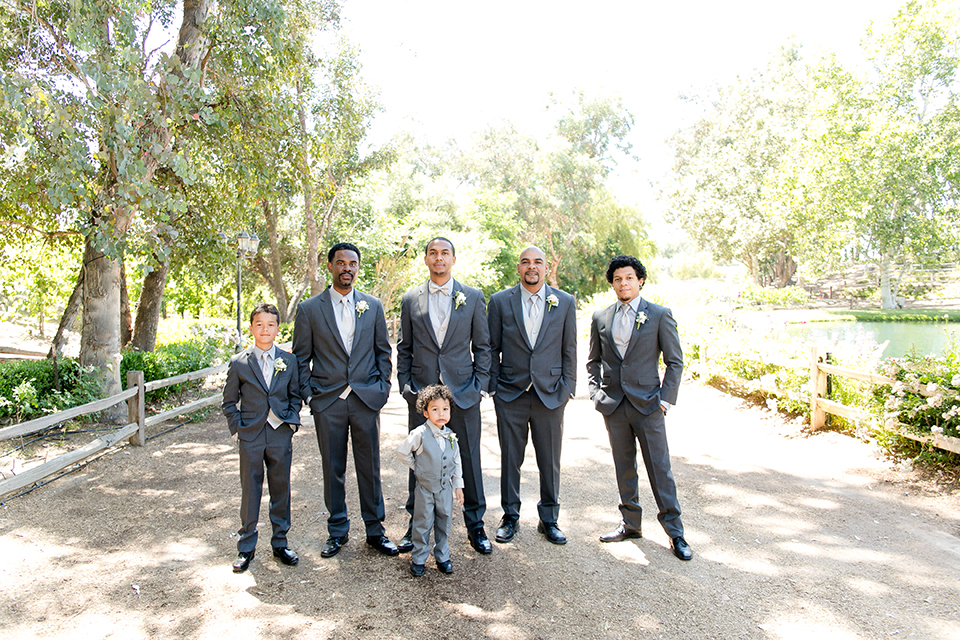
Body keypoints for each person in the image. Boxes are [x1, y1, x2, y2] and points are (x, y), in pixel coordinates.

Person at [292, 242, 398, 559]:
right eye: (341, 263)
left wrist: (381, 390)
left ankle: (375, 531)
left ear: (357, 268)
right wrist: (311, 396)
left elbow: (383, 352)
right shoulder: (310, 309)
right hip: (329, 403)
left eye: (352, 263)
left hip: (366, 400)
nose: (347, 268)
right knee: (333, 469)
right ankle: (337, 531)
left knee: (370, 468)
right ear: (330, 266)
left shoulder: (373, 306)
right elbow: (300, 359)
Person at [586, 255, 692, 561]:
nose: (623, 283)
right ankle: (631, 524)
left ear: (640, 280)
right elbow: (593, 361)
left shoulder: (658, 314)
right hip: (614, 406)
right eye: (618, 279)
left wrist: (665, 400)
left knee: (660, 469)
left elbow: (675, 361)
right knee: (624, 467)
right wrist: (596, 394)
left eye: (629, 278)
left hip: (649, 406)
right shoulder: (601, 317)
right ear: (612, 283)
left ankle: (675, 533)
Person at [396, 237, 493, 555]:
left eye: (444, 253)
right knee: (421, 461)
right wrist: (406, 387)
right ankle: (416, 525)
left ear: (453, 259)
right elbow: (405, 348)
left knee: (469, 459)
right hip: (423, 396)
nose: (439, 258)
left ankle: (475, 526)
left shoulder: (473, 297)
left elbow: (483, 347)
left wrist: (478, 386)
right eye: (433, 253)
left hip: (462, 394)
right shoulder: (411, 299)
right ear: (425, 259)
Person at [487, 246, 576, 545]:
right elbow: (491, 348)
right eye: (526, 262)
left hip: (550, 395)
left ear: (546, 267)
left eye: (537, 262)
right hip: (510, 394)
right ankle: (510, 517)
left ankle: (549, 519)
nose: (531, 267)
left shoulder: (564, 302)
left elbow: (569, 349)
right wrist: (496, 387)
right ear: (518, 268)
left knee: (549, 461)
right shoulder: (500, 301)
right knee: (511, 458)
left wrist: (567, 389)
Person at [222, 302, 302, 572]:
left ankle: (280, 542)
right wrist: (239, 428)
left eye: (270, 324)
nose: (265, 329)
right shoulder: (240, 362)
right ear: (251, 328)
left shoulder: (288, 361)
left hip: (279, 433)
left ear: (278, 328)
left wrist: (290, 421)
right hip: (251, 436)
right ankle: (246, 547)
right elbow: (229, 402)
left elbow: (295, 395)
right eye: (259, 324)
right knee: (251, 490)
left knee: (281, 489)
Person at [395, 385, 465, 576]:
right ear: (425, 413)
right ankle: (419, 558)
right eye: (435, 409)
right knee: (423, 522)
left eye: (445, 409)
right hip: (425, 488)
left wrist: (458, 486)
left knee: (445, 521)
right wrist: (416, 466)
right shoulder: (419, 434)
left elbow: (456, 461)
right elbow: (402, 451)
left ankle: (442, 555)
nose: (441, 414)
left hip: (444, 489)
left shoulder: (451, 436)